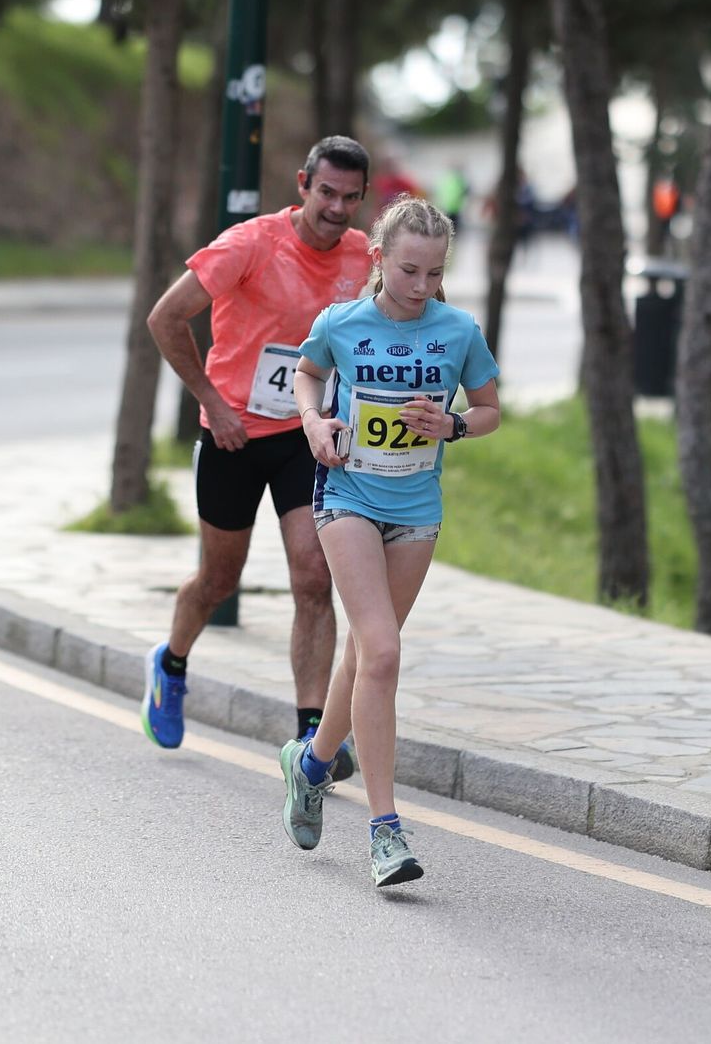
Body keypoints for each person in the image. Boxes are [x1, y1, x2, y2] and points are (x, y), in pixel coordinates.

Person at [280, 196, 500, 887]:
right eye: (409, 270)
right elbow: (307, 375)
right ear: (378, 259)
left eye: (434, 273)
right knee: (384, 651)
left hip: (417, 510)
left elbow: (491, 409)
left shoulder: (458, 330)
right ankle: (385, 831)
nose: (421, 286)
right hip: (346, 496)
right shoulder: (341, 324)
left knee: (367, 655)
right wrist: (315, 425)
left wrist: (455, 425)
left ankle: (312, 766)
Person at [141, 136, 374, 770]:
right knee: (219, 580)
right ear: (303, 184)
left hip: (306, 437)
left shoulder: (363, 256)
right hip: (233, 436)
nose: (336, 209)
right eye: (326, 192)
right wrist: (211, 401)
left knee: (312, 577)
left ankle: (311, 738)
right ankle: (171, 663)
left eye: (350, 198)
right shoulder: (250, 244)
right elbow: (165, 317)